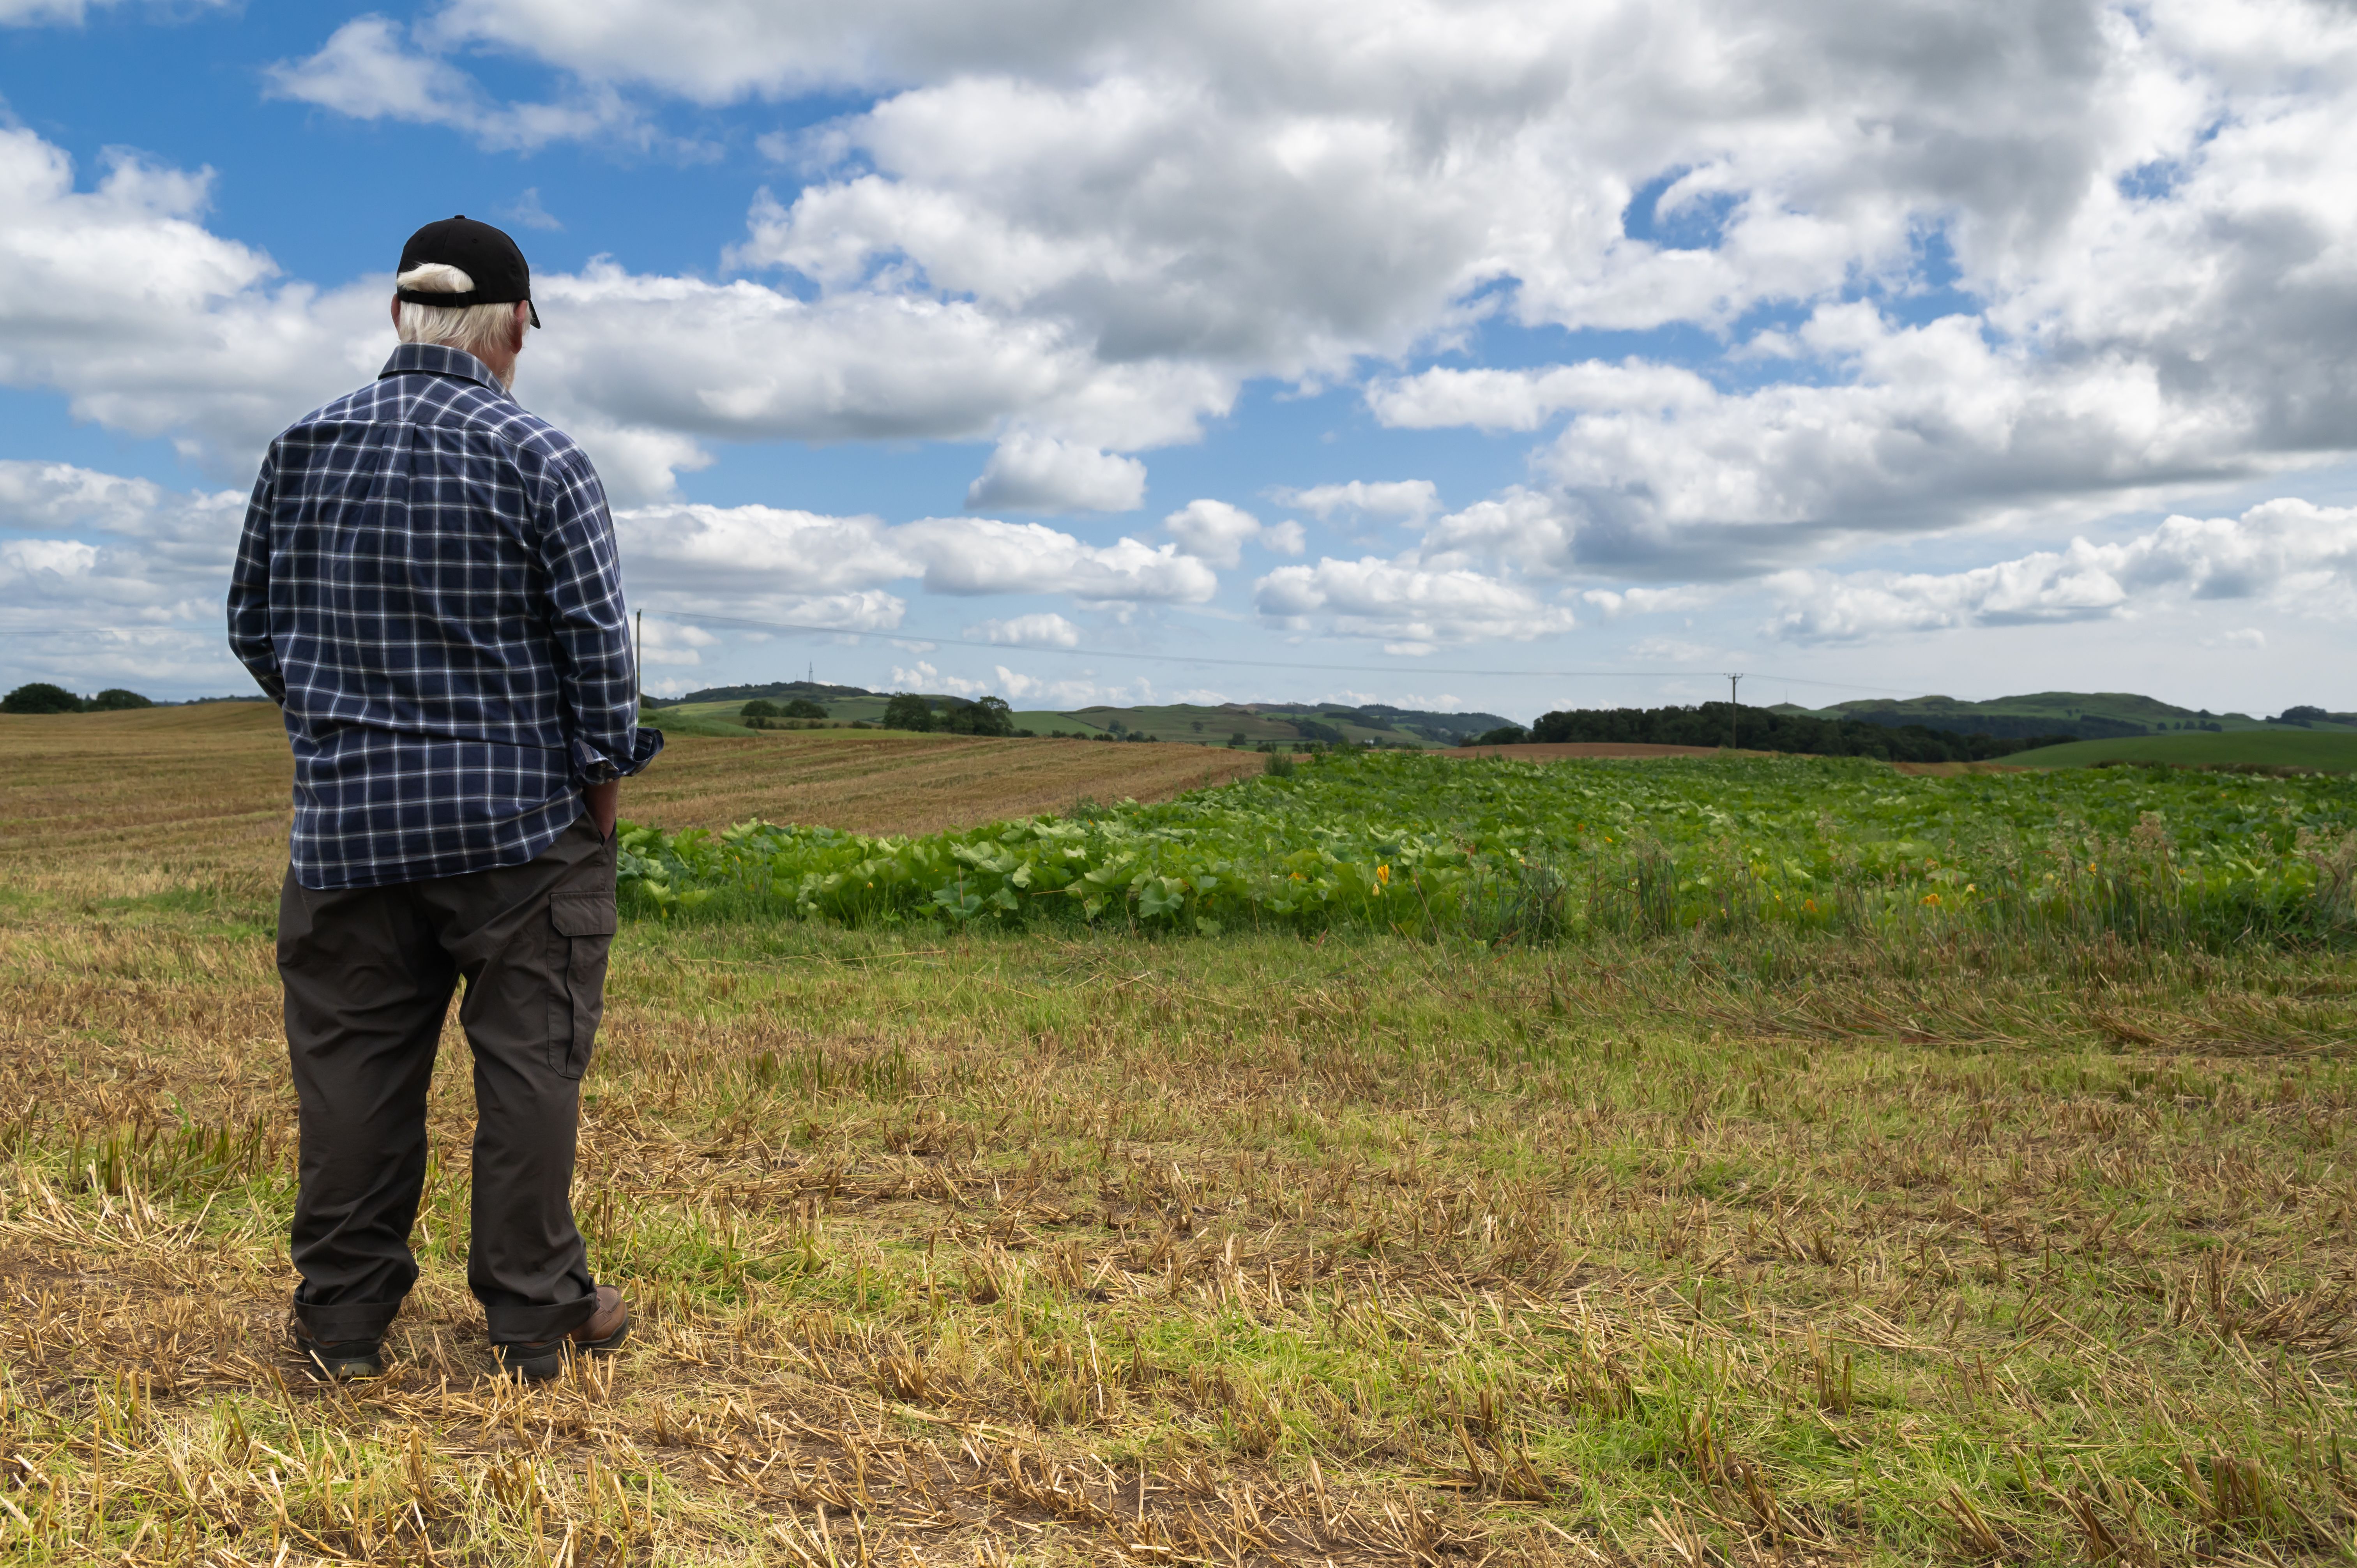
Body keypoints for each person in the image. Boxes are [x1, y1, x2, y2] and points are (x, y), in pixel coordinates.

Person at [227, 215, 662, 1383]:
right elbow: (596, 658)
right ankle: (534, 1314)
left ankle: (342, 1323)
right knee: (529, 1066)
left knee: (354, 1073)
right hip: (520, 828)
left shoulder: (300, 448)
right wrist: (601, 789)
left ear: (396, 314)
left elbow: (251, 626)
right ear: (517, 322)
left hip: (346, 830)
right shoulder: (543, 458)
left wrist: (339, 727)